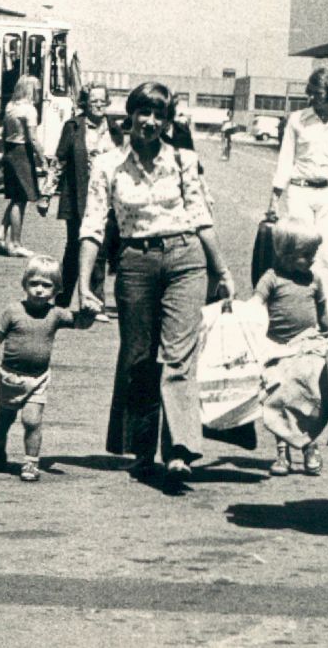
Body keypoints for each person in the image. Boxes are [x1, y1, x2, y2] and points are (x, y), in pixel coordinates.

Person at [76, 81, 237, 481]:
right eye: (144, 113)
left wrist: (222, 270)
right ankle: (144, 450)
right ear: (130, 114)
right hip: (134, 262)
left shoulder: (183, 160)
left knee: (179, 356)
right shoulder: (108, 165)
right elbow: (93, 226)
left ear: (167, 122)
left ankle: (181, 447)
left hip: (186, 259)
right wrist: (84, 284)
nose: (150, 122)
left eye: (159, 116)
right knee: (139, 358)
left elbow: (201, 217)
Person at [0, 254, 94, 482]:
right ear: (25, 284)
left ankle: (31, 463)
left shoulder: (56, 314)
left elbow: (80, 323)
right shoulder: (13, 311)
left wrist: (89, 312)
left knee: (32, 421)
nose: (39, 290)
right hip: (10, 378)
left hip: (38, 379)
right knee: (4, 419)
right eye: (34, 284)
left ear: (57, 289)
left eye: (46, 285)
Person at [268, 67, 328, 309]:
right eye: (310, 94)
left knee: (327, 257)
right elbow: (286, 159)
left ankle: (325, 319)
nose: (311, 99)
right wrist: (274, 198)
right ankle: (298, 311)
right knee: (299, 254)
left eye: (317, 94)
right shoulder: (297, 120)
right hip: (299, 192)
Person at [248, 217, 328, 477]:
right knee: (278, 397)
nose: (312, 260)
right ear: (285, 254)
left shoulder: (314, 280)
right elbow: (255, 306)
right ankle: (282, 452)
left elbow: (324, 316)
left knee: (310, 395)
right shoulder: (271, 279)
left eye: (313, 254)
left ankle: (309, 446)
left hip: (307, 346)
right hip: (276, 348)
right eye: (305, 255)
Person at [55, 84, 122, 315]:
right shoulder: (73, 126)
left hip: (106, 199)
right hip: (77, 196)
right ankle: (62, 300)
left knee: (100, 248)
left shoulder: (114, 129)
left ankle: (96, 303)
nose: (99, 104)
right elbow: (60, 161)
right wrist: (46, 195)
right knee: (74, 247)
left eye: (103, 100)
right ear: (85, 103)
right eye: (94, 101)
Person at [0, 74, 43, 257]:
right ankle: (16, 242)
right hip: (22, 153)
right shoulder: (29, 110)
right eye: (37, 89)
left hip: (10, 151)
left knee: (16, 196)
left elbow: (3, 133)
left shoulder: (10, 107)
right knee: (21, 199)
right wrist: (43, 158)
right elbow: (32, 138)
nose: (38, 93)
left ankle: (0, 233)